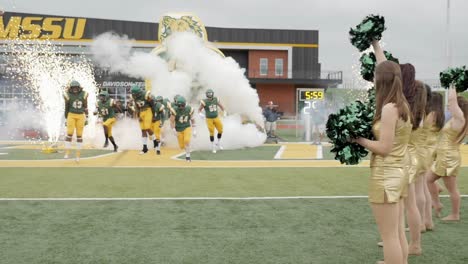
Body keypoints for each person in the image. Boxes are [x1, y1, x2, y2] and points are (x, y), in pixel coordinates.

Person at [353, 60, 411, 264]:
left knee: (389, 236)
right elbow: (386, 64)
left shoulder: (388, 108)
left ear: (380, 80)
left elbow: (384, 148)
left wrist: (358, 139)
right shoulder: (402, 103)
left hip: (386, 174)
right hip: (399, 172)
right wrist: (375, 43)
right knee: (397, 232)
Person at [427, 86, 467, 222]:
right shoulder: (455, 120)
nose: (448, 106)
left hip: (449, 158)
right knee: (428, 179)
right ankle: (436, 202)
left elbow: (452, 100)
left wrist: (452, 83)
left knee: (452, 188)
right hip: (444, 156)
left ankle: (455, 214)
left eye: (451, 105)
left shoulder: (459, 119)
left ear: (458, 108)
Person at [421, 90, 444, 230]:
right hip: (433, 145)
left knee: (424, 178)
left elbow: (423, 130)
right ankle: (437, 190)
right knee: (427, 176)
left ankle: (435, 202)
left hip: (427, 147)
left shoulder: (431, 114)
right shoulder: (439, 115)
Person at [63, 80, 88, 162]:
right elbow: (66, 107)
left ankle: (78, 156)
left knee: (79, 135)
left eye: (76, 87)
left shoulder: (84, 94)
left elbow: (85, 106)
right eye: (73, 87)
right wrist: (66, 118)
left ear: (79, 87)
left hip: (80, 115)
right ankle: (67, 153)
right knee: (69, 133)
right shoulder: (67, 95)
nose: (75, 89)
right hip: (71, 114)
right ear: (70, 88)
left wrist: (87, 117)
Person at [198, 89, 226, 153]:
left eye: (210, 94)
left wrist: (224, 112)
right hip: (209, 119)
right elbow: (199, 110)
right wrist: (200, 114)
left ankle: (218, 143)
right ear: (206, 95)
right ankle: (213, 147)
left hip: (216, 117)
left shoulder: (216, 99)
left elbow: (222, 107)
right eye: (208, 94)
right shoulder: (204, 101)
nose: (210, 95)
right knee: (212, 132)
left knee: (220, 130)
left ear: (212, 94)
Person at [131, 85, 156, 154]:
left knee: (147, 128)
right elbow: (137, 107)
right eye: (133, 94)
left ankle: (155, 140)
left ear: (138, 93)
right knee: (143, 130)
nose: (134, 95)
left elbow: (152, 105)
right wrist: (138, 116)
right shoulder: (134, 97)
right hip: (141, 112)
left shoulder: (146, 94)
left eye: (135, 94)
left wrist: (154, 115)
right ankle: (145, 148)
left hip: (148, 110)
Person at [170, 96, 196, 162]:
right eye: (179, 106)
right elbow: (172, 121)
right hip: (178, 129)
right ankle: (187, 149)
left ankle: (188, 156)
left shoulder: (189, 109)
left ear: (185, 104)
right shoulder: (174, 110)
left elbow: (192, 119)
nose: (181, 107)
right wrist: (173, 129)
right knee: (181, 146)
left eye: (182, 105)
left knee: (187, 141)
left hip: (187, 127)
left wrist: (194, 129)